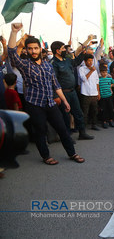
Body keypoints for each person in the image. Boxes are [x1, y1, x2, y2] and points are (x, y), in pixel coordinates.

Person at [7, 23, 85, 165]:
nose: (33, 51)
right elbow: (12, 52)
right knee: (40, 132)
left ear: (40, 49)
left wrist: (65, 101)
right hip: (35, 105)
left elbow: (55, 85)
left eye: (35, 48)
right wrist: (13, 32)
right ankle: (46, 156)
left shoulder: (48, 65)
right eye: (30, 49)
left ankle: (72, 153)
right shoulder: (24, 65)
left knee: (62, 129)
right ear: (27, 50)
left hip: (51, 103)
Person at [51, 40, 94, 140]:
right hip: (63, 94)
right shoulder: (53, 63)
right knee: (65, 116)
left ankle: (82, 133)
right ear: (57, 51)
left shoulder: (67, 59)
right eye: (63, 48)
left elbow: (76, 62)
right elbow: (53, 81)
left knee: (78, 113)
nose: (65, 50)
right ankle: (67, 137)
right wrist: (56, 96)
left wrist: (83, 53)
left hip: (72, 92)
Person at [78, 53, 100, 131]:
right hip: (85, 93)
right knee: (85, 111)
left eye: (92, 61)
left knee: (94, 110)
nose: (90, 63)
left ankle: (94, 124)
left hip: (94, 93)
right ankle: (83, 127)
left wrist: (98, 93)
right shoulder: (82, 69)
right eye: (89, 61)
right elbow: (83, 79)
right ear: (85, 61)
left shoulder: (94, 70)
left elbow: (97, 81)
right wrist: (90, 71)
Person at [98, 64, 114, 128]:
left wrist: (110, 86)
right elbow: (98, 87)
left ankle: (111, 120)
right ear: (100, 72)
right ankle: (104, 121)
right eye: (102, 72)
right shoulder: (99, 80)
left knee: (110, 108)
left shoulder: (109, 78)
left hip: (109, 96)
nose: (104, 73)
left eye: (105, 72)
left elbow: (113, 82)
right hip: (102, 97)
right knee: (103, 110)